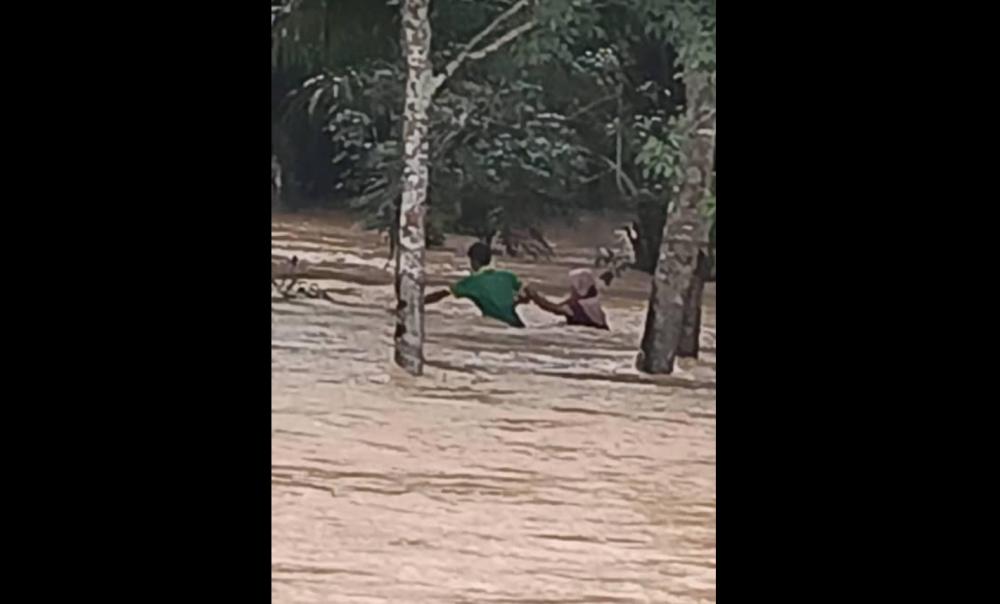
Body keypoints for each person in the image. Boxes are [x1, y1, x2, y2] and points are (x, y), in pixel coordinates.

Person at [425, 242, 528, 327]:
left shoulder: (471, 282)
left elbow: (441, 294)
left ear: (474, 261)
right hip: (518, 324)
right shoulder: (508, 276)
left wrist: (417, 302)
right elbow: (529, 294)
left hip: (498, 325)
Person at [527, 268, 609, 330]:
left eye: (573, 288)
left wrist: (535, 297)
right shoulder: (594, 302)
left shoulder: (574, 307)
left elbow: (552, 308)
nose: (571, 291)